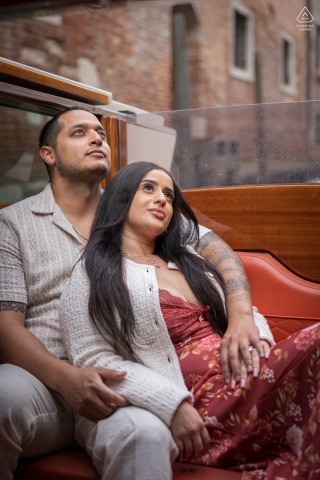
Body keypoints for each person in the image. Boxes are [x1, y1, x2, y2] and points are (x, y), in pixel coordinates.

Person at [0, 107, 263, 479]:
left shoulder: (136, 203)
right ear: (48, 154)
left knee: (143, 435)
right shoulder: (12, 224)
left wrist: (240, 317)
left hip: (128, 376)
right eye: (79, 132)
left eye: (100, 133)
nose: (96, 138)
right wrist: (67, 379)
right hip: (46, 381)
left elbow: (221, 255)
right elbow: (5, 327)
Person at [60, 161, 320, 480]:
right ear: (120, 198)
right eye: (148, 188)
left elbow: (247, 316)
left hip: (253, 378)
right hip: (199, 403)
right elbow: (93, 359)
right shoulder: (93, 273)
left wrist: (258, 343)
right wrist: (173, 405)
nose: (163, 200)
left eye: (169, 195)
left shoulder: (190, 262)